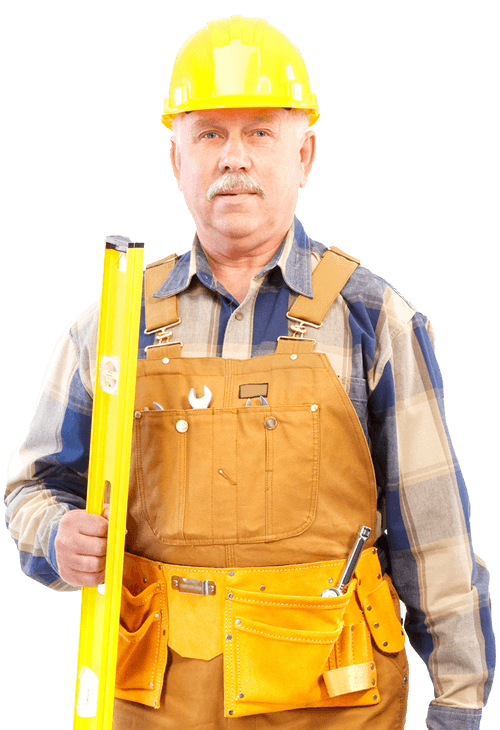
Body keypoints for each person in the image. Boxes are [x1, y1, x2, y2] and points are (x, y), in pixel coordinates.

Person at [4, 14, 494, 730]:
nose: (234, 158)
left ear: (304, 153)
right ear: (177, 160)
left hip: (335, 705)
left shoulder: (374, 319)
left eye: (260, 132)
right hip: (152, 706)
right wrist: (55, 536)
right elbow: (34, 486)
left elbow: (435, 537)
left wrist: (458, 702)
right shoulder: (110, 326)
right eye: (209, 134)